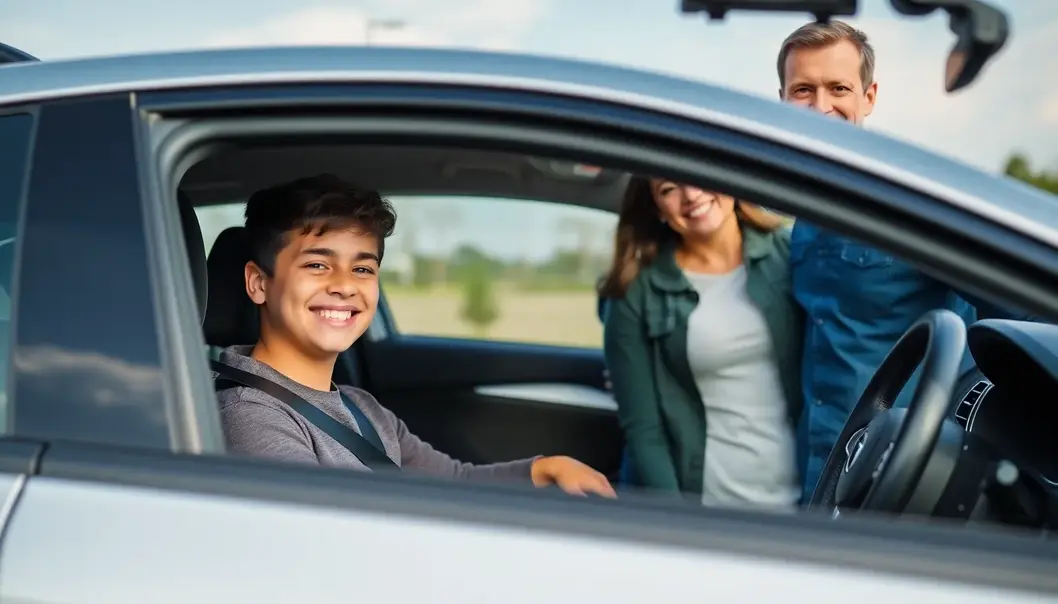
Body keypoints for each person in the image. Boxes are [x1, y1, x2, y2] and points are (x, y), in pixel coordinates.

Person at [214, 173, 616, 498]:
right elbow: (328, 540)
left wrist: (543, 469)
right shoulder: (250, 415)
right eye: (318, 265)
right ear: (258, 283)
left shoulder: (359, 406)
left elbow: (453, 482)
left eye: (363, 269)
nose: (344, 285)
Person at [776, 21, 1039, 500]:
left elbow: (1024, 315)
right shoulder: (800, 214)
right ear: (782, 98)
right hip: (819, 477)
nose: (820, 106)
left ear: (869, 96)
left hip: (899, 479)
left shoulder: (912, 203)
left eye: (838, 88)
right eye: (802, 90)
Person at [599, 176, 803, 509]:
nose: (691, 194)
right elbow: (644, 432)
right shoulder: (635, 293)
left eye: (699, 176)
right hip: (708, 505)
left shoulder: (790, 255)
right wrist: (680, 524)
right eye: (668, 189)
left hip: (805, 501)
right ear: (658, 210)